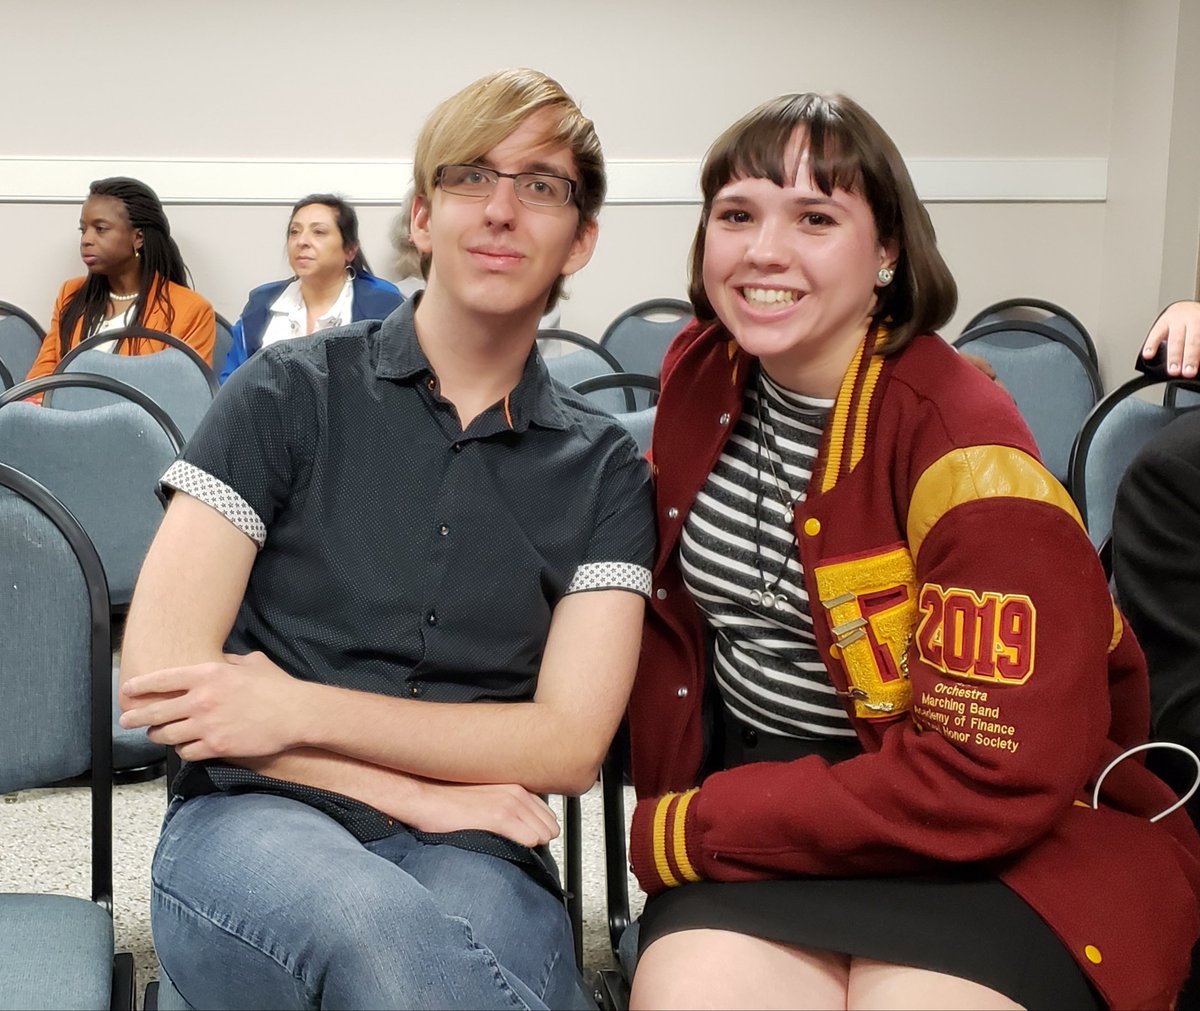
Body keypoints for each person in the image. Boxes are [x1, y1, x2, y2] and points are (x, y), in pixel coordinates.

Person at [623, 93, 1200, 1011]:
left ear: (887, 251)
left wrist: (691, 823)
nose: (763, 250)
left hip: (984, 835)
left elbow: (989, 777)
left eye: (816, 217)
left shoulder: (970, 450)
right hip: (768, 806)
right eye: (736, 214)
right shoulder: (703, 370)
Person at [118, 68, 654, 1009]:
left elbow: (569, 745)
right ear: (420, 215)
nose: (501, 209)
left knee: (432, 963)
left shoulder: (606, 468)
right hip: (258, 813)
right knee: (386, 938)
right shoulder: (287, 391)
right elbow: (159, 677)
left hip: (483, 845)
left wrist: (292, 706)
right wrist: (421, 793)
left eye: (541, 186)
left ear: (582, 239)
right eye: (470, 178)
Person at [26, 176, 215, 382]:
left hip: (140, 414)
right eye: (83, 230)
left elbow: (185, 395)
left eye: (100, 229)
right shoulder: (71, 295)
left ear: (138, 238)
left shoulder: (190, 310)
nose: (86, 240)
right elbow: (41, 379)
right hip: (64, 413)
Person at [218, 194, 402, 383]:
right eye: (294, 232)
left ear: (350, 250)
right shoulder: (261, 304)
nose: (301, 241)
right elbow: (230, 386)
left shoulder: (383, 306)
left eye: (319, 232)